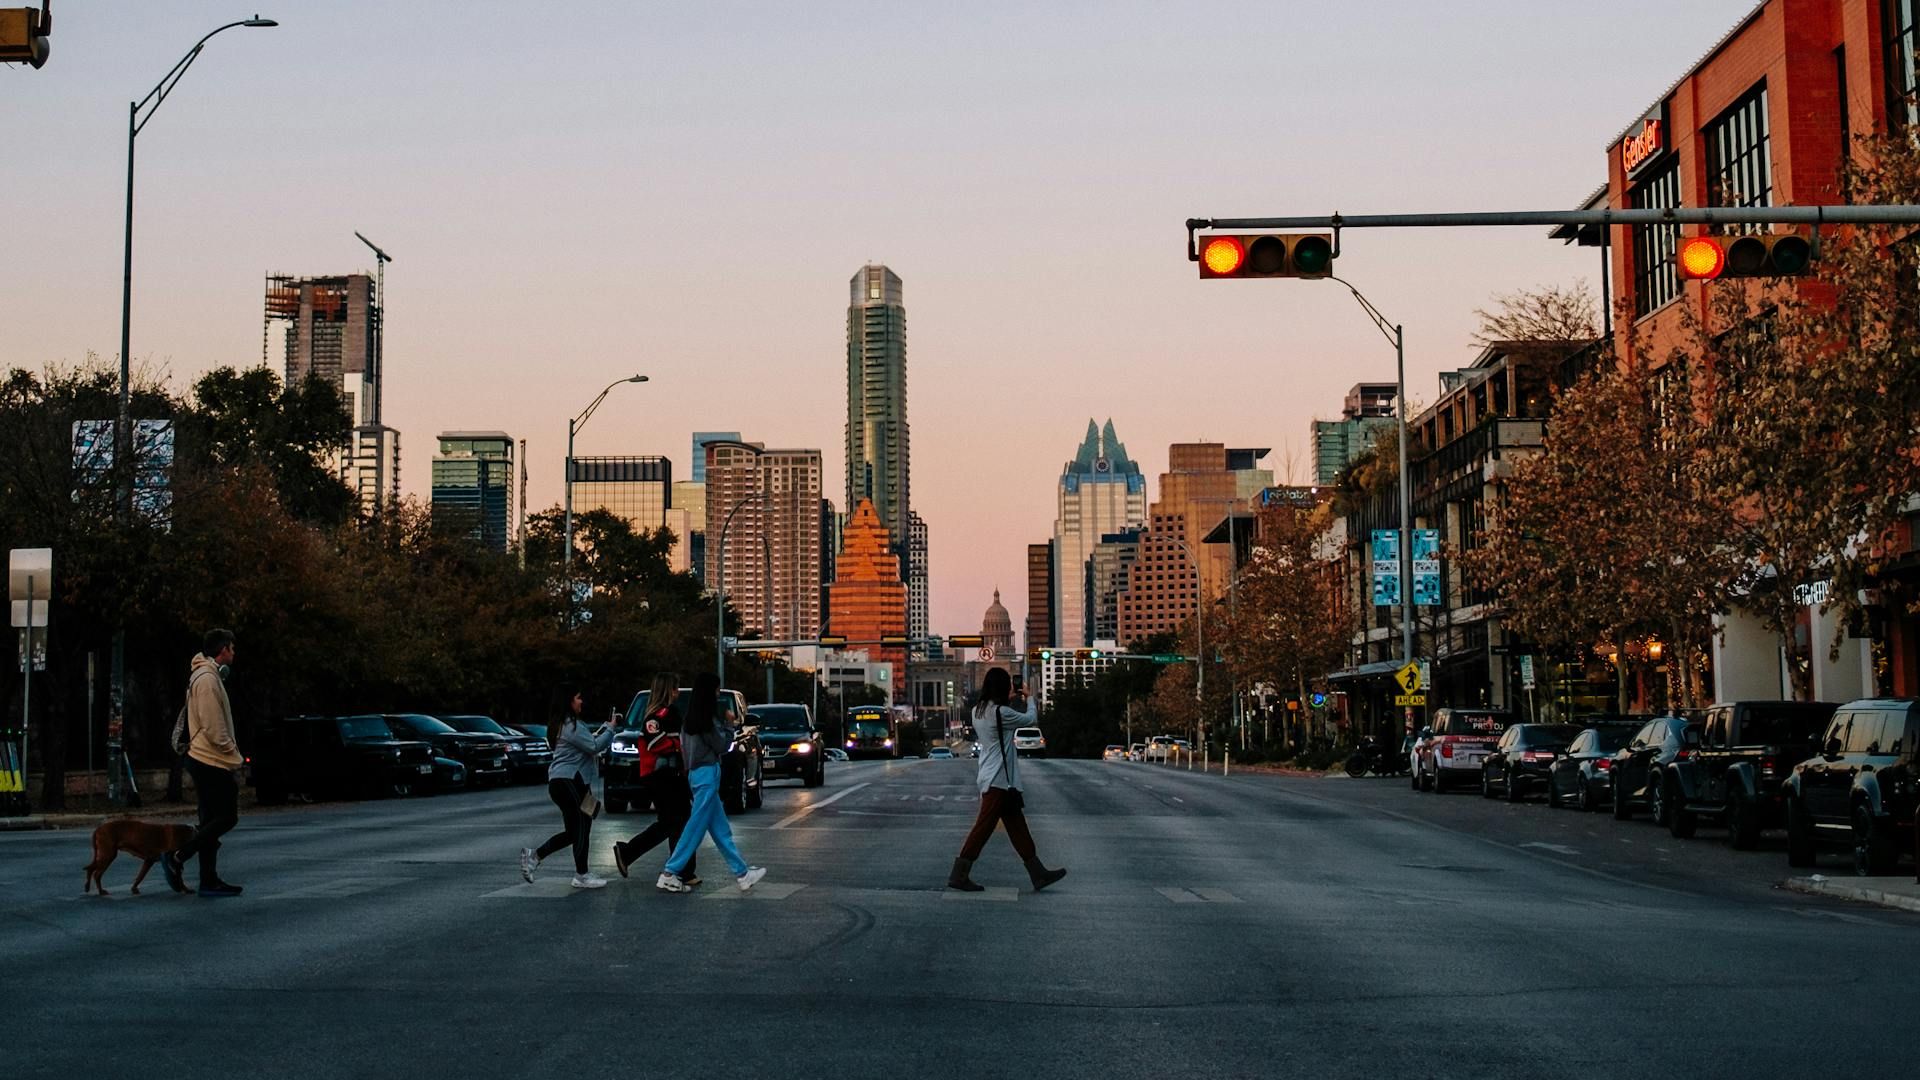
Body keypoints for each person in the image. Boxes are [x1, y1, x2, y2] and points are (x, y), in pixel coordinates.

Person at [947, 668, 1066, 892]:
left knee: (1017, 827)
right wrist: (1029, 697)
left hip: (991, 775)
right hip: (999, 781)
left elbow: (1000, 721)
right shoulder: (1001, 713)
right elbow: (1030, 720)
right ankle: (959, 874)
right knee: (982, 829)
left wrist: (1008, 701)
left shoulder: (978, 711)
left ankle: (1037, 872)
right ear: (1002, 687)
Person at [656, 673, 764, 893]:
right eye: (716, 690)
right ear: (709, 692)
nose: (718, 694)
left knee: (720, 828)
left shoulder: (689, 721)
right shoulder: (707, 720)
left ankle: (742, 873)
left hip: (696, 775)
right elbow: (722, 745)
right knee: (696, 826)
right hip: (707, 775)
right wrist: (730, 725)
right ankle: (670, 872)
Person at [161, 629, 245, 898]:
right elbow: (213, 727)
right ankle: (177, 857)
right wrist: (234, 755)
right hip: (210, 759)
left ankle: (209, 881)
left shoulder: (204, 675)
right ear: (222, 650)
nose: (234, 653)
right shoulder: (208, 679)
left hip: (203, 757)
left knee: (209, 821)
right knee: (227, 817)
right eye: (232, 648)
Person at [520, 687, 615, 889]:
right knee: (581, 825)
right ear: (569, 701)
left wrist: (604, 730)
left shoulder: (561, 725)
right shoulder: (571, 725)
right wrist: (611, 728)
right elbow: (594, 746)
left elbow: (587, 743)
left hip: (565, 782)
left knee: (575, 831)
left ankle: (535, 857)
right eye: (579, 698)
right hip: (568, 781)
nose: (582, 702)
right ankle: (581, 875)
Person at [612, 674, 697, 885]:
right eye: (675, 689)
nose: (678, 693)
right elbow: (656, 744)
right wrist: (677, 745)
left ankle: (682, 870)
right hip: (661, 775)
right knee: (674, 821)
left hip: (666, 775)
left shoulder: (660, 714)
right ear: (668, 690)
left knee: (677, 821)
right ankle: (676, 869)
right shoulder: (661, 715)